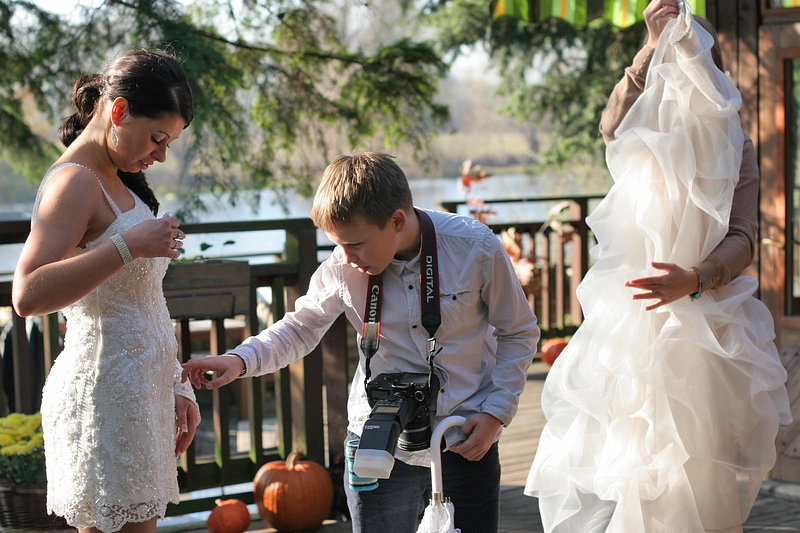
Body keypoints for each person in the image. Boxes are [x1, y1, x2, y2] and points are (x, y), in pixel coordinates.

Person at [524, 1, 791, 532]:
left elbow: (743, 238)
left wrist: (695, 279)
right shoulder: (642, 139)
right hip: (633, 324)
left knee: (694, 458)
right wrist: (650, 47)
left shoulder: (736, 147)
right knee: (636, 450)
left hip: (702, 327)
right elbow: (610, 125)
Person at [181, 151, 539, 533]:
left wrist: (496, 413)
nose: (346, 258)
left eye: (355, 244)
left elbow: (518, 331)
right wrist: (239, 360)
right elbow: (299, 328)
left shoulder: (474, 248)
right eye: (339, 245)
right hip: (374, 443)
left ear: (397, 221)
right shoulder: (342, 262)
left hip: (466, 437)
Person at [12, 49, 200, 533]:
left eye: (169, 143)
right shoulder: (73, 183)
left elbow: (143, 306)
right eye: (157, 138)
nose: (160, 154)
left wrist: (176, 384)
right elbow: (27, 293)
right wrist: (128, 245)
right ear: (117, 112)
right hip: (104, 397)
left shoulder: (118, 180)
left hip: (141, 393)